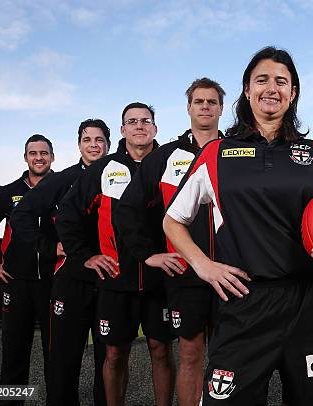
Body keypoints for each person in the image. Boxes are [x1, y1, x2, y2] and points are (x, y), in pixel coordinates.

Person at [163, 47, 313, 405]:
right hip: (245, 303)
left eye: (282, 81)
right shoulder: (216, 153)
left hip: (312, 302)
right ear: (247, 90)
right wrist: (204, 266)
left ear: (293, 93)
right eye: (262, 80)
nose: (271, 88)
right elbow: (173, 220)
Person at [115, 78, 225, 406]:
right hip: (185, 274)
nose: (205, 107)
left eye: (212, 102)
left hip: (229, 271)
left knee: (228, 356)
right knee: (190, 353)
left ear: (220, 108)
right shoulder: (164, 157)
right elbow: (127, 210)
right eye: (199, 101)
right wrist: (148, 254)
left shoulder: (236, 151)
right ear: (188, 108)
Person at [57, 103, 174, 406]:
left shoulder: (173, 164)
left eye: (145, 121)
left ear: (155, 129)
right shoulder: (103, 169)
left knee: (161, 350)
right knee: (114, 352)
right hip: (115, 279)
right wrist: (85, 255)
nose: (139, 126)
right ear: (122, 130)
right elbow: (69, 215)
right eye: (131, 122)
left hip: (160, 279)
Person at [10, 119, 110, 405]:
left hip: (109, 280)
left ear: (108, 144)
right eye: (87, 139)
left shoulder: (121, 175)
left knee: (111, 359)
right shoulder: (62, 180)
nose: (94, 144)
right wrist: (51, 247)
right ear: (79, 144)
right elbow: (21, 215)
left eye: (99, 139)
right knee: (63, 360)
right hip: (70, 280)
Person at [0, 134, 54, 405]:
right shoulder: (7, 192)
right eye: (33, 153)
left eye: (44, 152)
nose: (39, 157)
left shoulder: (65, 187)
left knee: (56, 354)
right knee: (14, 355)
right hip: (17, 283)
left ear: (52, 156)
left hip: (54, 282)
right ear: (26, 157)